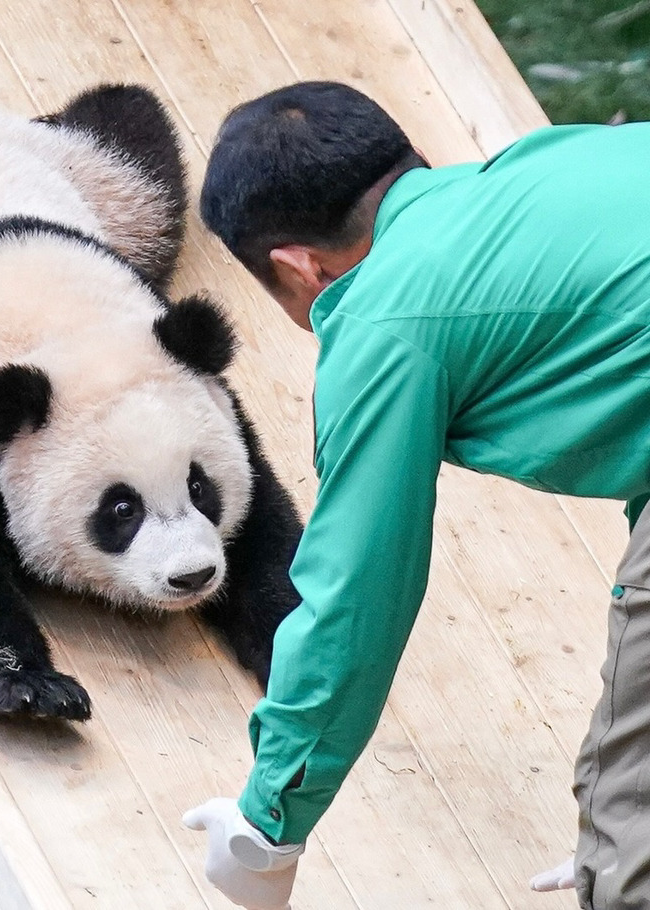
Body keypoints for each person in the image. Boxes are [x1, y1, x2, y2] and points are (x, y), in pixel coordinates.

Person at [181, 81, 650, 910]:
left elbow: (356, 597)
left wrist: (267, 830)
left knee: (631, 836)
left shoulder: (383, 318)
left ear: (297, 265)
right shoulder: (548, 166)